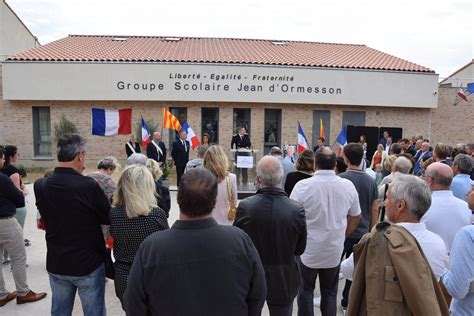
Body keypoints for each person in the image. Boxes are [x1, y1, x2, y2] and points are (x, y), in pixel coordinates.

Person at [124, 168, 267, 315]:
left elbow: (134, 303)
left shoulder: (152, 248)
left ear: (178, 196)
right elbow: (257, 294)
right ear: (215, 200)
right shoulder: (240, 241)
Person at [34, 133, 111, 315]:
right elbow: (107, 216)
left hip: (57, 262)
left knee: (60, 312)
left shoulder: (41, 185)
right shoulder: (88, 186)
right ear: (80, 155)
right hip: (88, 263)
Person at [290, 147, 361, 316]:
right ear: (335, 164)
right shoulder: (347, 186)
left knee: (305, 291)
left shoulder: (302, 186)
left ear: (315, 164)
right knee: (329, 292)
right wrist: (343, 235)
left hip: (309, 249)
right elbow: (356, 216)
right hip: (333, 248)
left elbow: (291, 217)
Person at [341, 175, 449, 283]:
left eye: (388, 198)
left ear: (400, 205)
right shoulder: (438, 243)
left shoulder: (377, 239)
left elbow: (348, 269)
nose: (385, 203)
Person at [234, 156, 306, 315]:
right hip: (284, 275)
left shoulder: (246, 207)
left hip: (252, 275)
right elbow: (300, 248)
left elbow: (238, 244)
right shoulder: (296, 209)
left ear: (258, 178)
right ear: (281, 177)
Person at [109, 165, 169, 307]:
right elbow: (166, 246)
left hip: (124, 276)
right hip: (152, 276)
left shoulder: (114, 214)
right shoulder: (156, 214)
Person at [0, 147, 47, 306]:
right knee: (18, 258)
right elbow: (19, 199)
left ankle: (1, 294)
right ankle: (23, 292)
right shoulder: (3, 178)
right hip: (5, 221)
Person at [338, 143, 379, 312]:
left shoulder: (340, 179)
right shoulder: (371, 181)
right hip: (362, 232)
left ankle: (329, 294)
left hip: (342, 231)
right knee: (354, 271)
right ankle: (347, 301)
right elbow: (375, 207)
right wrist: (372, 230)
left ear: (345, 159)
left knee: (335, 266)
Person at [421, 162, 471, 252]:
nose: (422, 178)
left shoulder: (422, 207)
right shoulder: (466, 207)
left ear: (430, 180)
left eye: (424, 176)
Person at [442, 185, 474, 314]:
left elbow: (457, 289)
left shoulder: (468, 234)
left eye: (473, 189)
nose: (468, 193)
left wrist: (442, 269)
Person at [1, 146, 28, 264]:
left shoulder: (3, 170)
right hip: (17, 208)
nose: (18, 156)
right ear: (11, 156)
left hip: (4, 205)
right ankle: (13, 260)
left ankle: (5, 258)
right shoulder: (14, 172)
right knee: (16, 235)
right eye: (17, 154)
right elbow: (17, 193)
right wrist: (25, 191)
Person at [202, 145, 237, 225]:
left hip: (205, 223)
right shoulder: (232, 178)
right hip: (226, 223)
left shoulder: (200, 178)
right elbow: (234, 202)